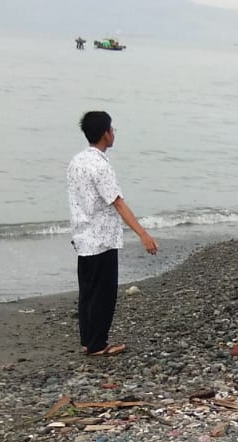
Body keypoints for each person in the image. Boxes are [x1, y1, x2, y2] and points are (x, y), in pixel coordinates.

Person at [66, 110, 157, 357]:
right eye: (112, 129)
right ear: (106, 134)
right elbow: (117, 202)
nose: (114, 133)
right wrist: (143, 234)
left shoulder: (77, 161)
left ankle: (88, 340)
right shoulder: (100, 165)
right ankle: (97, 344)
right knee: (103, 294)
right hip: (101, 237)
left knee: (87, 291)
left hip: (83, 235)